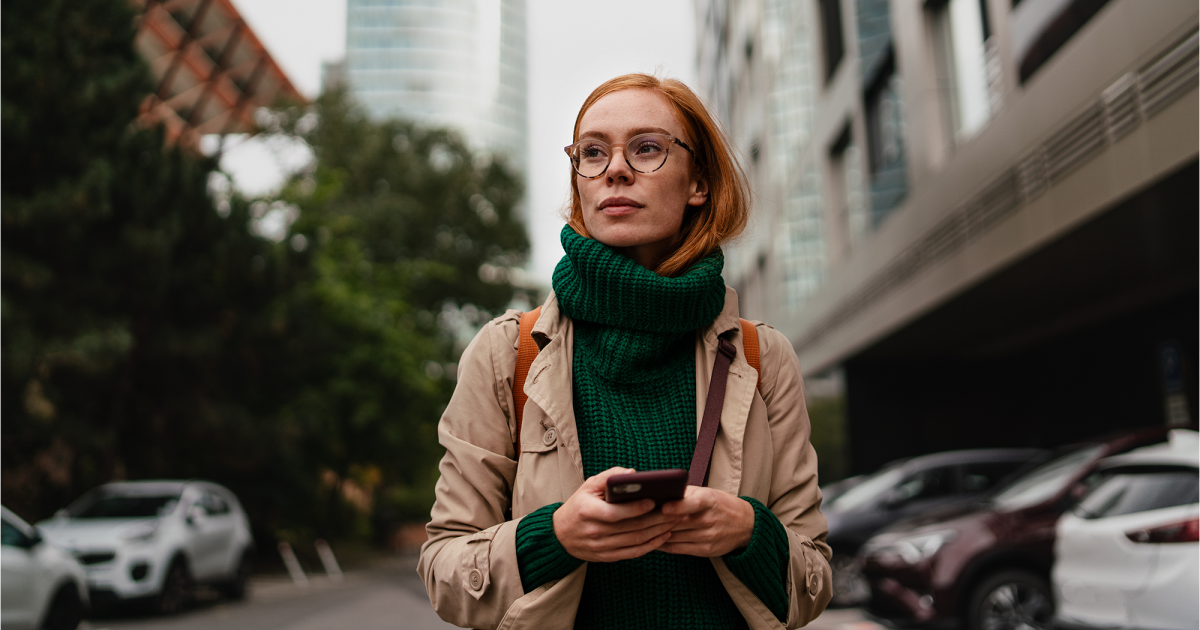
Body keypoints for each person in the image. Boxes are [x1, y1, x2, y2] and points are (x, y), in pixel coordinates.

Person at [418, 73, 831, 630]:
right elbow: (445, 572)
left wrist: (748, 533)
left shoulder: (762, 356)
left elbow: (813, 585)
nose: (615, 169)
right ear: (580, 182)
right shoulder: (506, 352)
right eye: (592, 152)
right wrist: (556, 535)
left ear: (698, 184)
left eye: (647, 148)